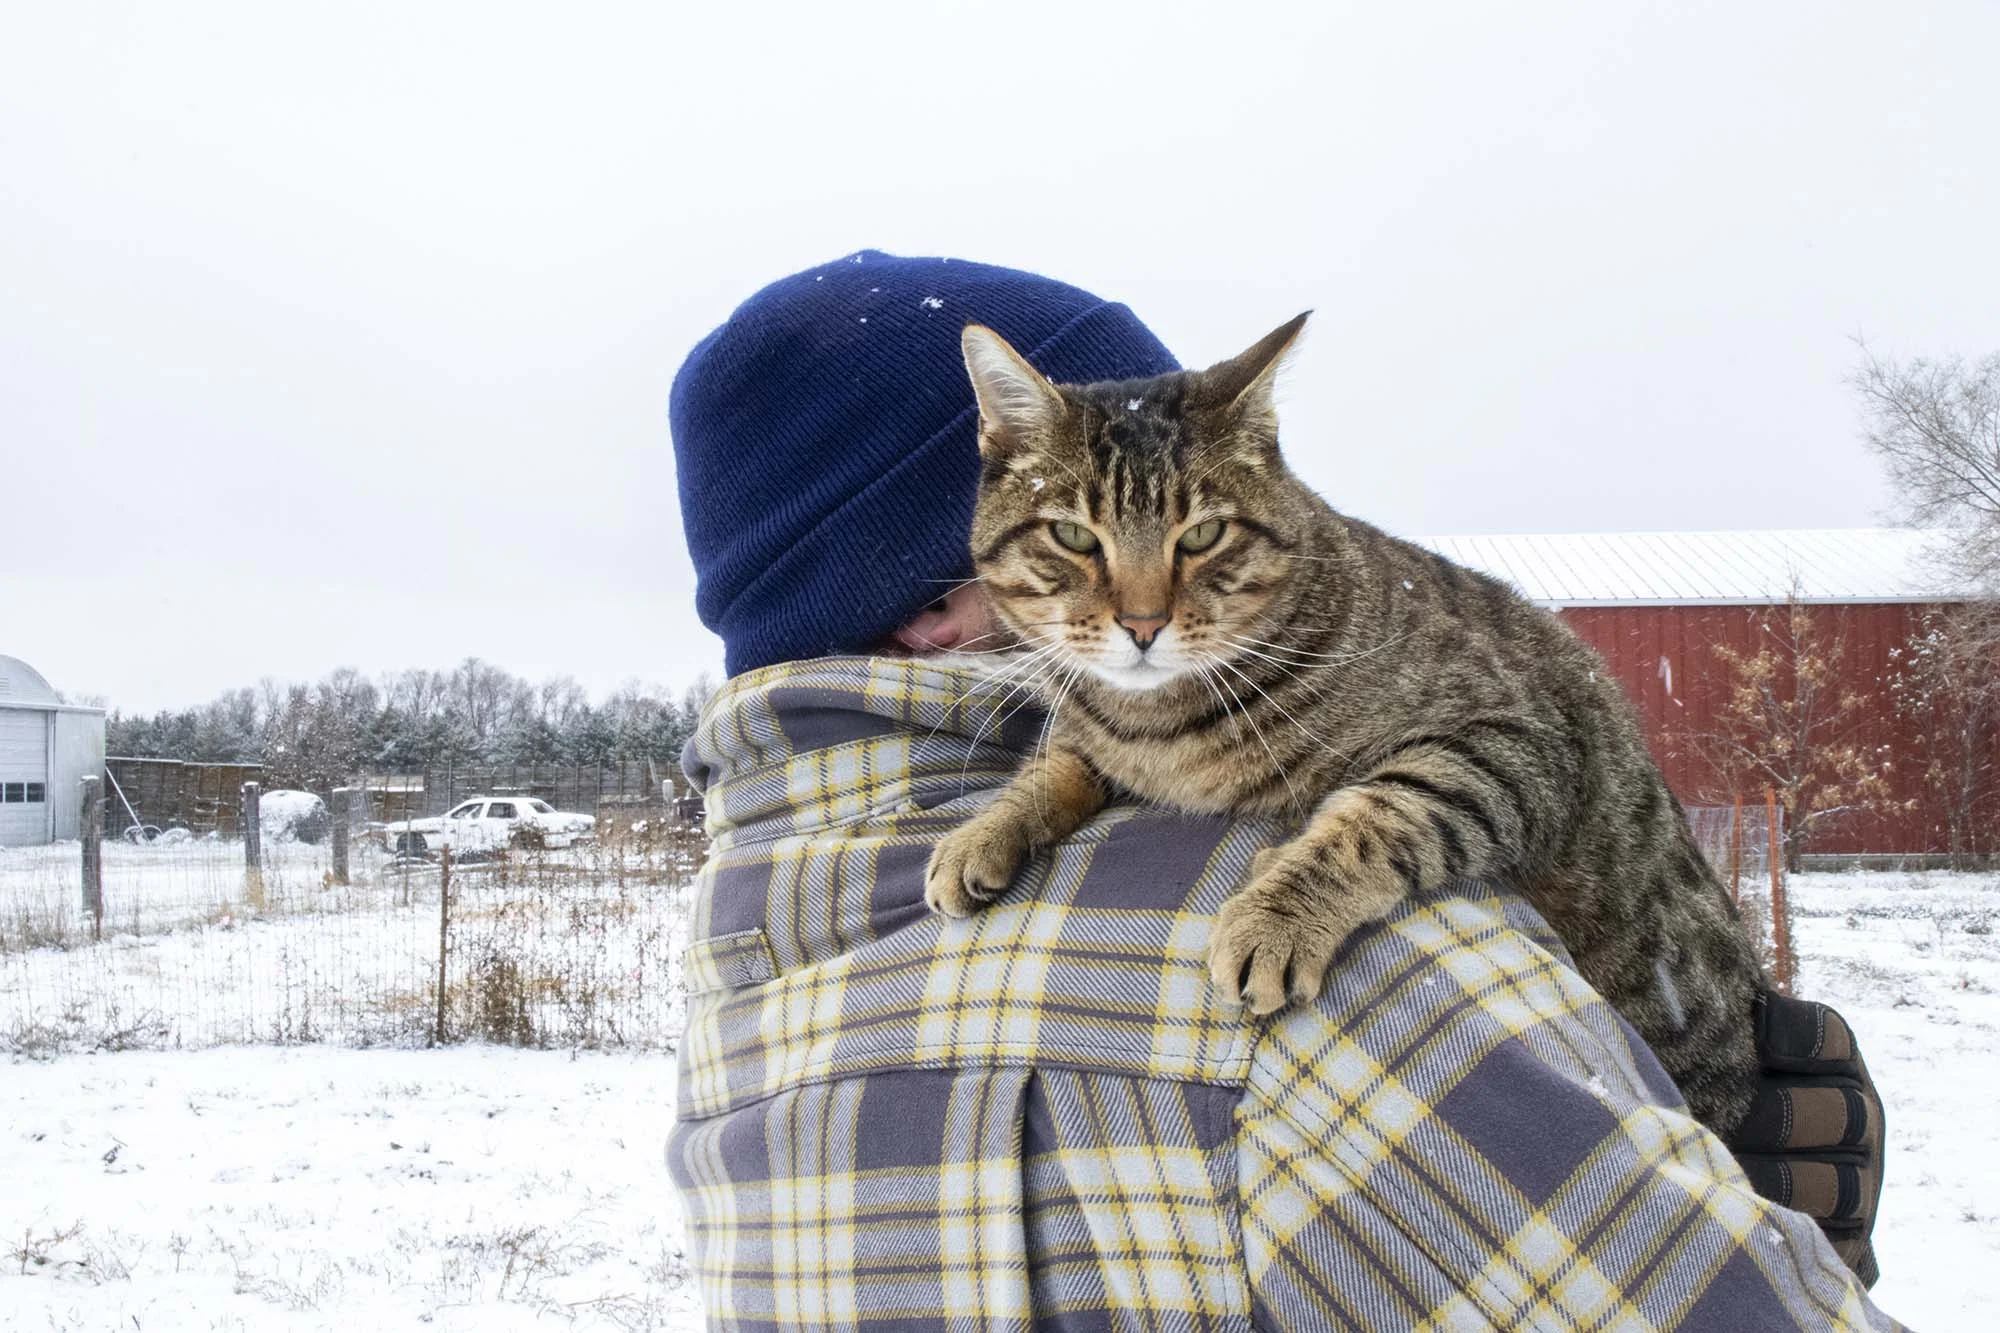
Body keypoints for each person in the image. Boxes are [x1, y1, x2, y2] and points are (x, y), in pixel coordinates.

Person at [665, 250, 1895, 1330]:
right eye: (1079, 552)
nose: (1142, 616)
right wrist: (1795, 1246)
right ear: (928, 611)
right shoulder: (1317, 975)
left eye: (1200, 535)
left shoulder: (745, 953)